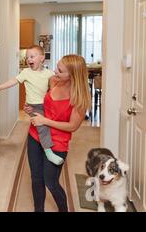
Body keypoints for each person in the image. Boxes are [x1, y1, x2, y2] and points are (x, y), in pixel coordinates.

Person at [25, 54, 91, 212]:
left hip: (58, 143)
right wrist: (33, 111)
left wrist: (46, 121)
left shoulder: (79, 98)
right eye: (57, 67)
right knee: (36, 178)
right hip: (36, 135)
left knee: (51, 182)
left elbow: (72, 126)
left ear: (72, 75)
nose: (55, 71)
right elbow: (47, 109)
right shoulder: (54, 81)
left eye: (60, 70)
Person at [0, 45, 63, 165]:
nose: (29, 59)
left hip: (46, 105)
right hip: (33, 106)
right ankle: (48, 152)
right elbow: (13, 81)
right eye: (27, 57)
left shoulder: (49, 74)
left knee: (51, 124)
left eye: (32, 56)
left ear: (42, 58)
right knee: (42, 126)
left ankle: (51, 147)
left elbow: (57, 86)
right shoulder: (26, 72)